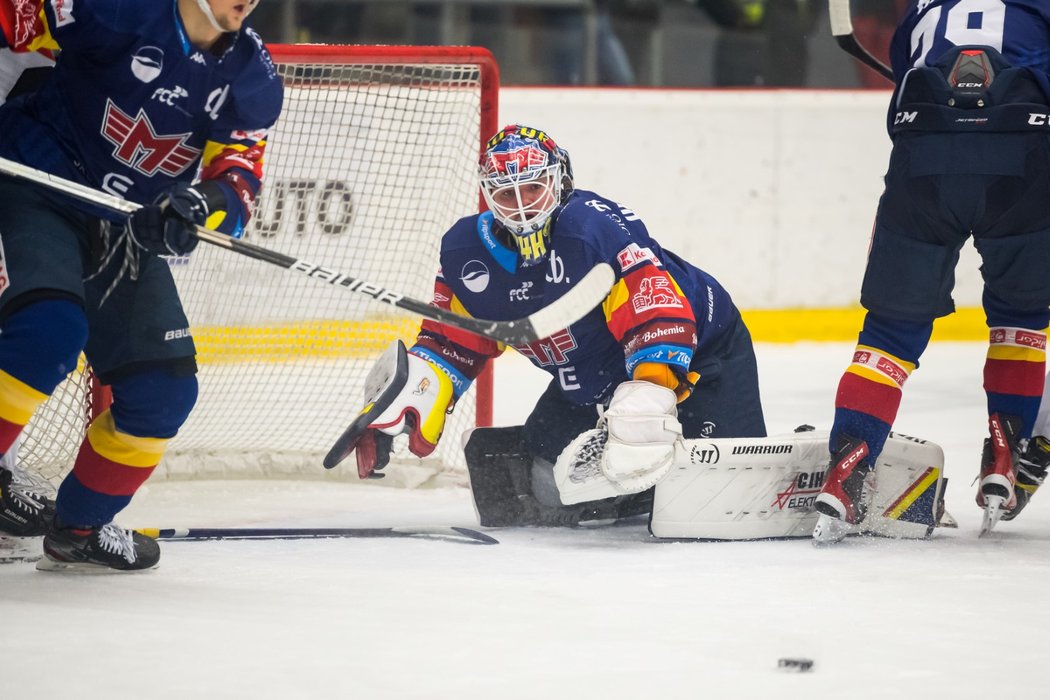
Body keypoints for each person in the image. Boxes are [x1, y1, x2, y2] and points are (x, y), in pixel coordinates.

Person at [339, 124, 766, 527]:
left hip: (703, 355)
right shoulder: (466, 255)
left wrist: (650, 392)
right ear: (488, 195)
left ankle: (658, 471)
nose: (522, 204)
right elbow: (452, 343)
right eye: (507, 193)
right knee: (545, 484)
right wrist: (408, 401)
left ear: (559, 181)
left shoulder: (589, 228)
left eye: (532, 187)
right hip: (589, 378)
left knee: (716, 484)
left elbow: (654, 306)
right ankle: (640, 486)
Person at [0, 0, 283, 569]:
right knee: (48, 329)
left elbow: (239, 179)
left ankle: (78, 529)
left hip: (123, 227)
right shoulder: (114, 10)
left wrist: (198, 205)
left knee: (164, 391)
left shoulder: (249, 73)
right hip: (34, 185)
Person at [812, 0, 1050, 542]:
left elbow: (908, 86)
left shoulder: (923, 7)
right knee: (1021, 316)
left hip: (925, 160)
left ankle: (849, 466)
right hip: (1025, 160)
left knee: (891, 331)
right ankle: (1004, 458)